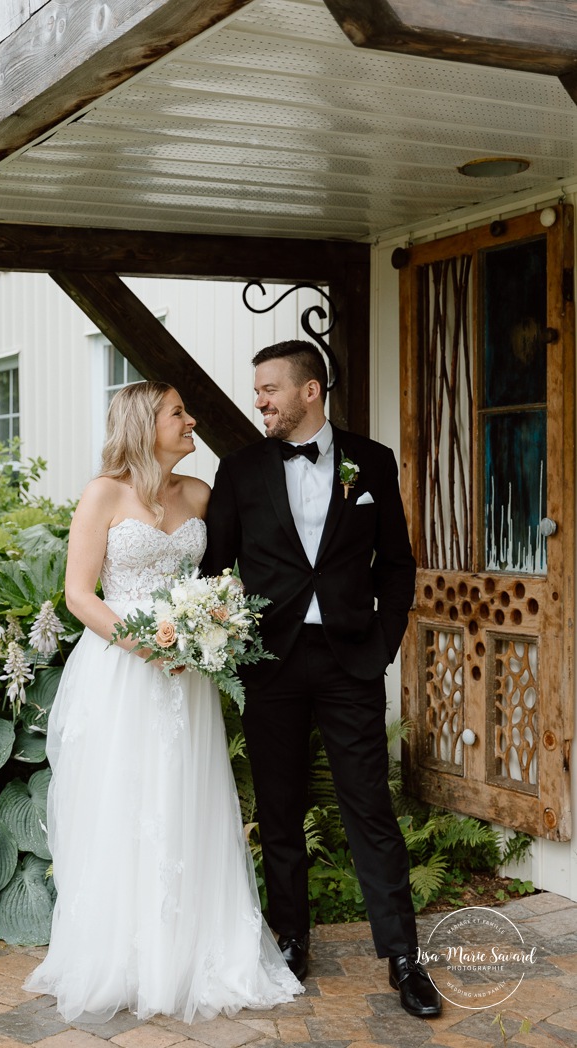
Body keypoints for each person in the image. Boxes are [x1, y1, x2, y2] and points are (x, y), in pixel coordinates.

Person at [24, 381, 303, 1023]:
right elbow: (79, 594)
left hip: (189, 676)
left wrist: (215, 625)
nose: (192, 420)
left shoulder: (202, 495)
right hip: (123, 672)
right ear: (145, 423)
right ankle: (124, 957)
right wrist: (144, 644)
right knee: (124, 802)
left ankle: (194, 950)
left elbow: (224, 580)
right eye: (179, 412)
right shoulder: (104, 494)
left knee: (188, 799)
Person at [201, 341, 442, 1019]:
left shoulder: (371, 461)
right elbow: (212, 561)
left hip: (348, 662)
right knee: (278, 809)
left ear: (311, 391)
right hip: (269, 662)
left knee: (368, 807)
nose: (260, 401)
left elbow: (396, 563)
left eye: (270, 389)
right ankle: (290, 941)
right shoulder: (240, 468)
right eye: (256, 391)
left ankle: (402, 959)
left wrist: (382, 639)